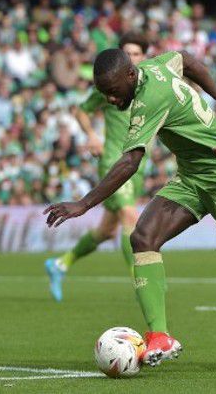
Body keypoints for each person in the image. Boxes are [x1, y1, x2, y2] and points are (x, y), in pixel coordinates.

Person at [43, 48, 216, 372]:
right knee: (143, 238)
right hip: (191, 178)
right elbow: (186, 59)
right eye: (103, 94)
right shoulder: (155, 66)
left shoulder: (149, 99)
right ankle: (159, 335)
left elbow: (130, 162)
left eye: (113, 92)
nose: (110, 99)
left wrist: (83, 203)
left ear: (130, 76)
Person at [44, 32, 150, 302]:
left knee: (106, 231)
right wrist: (92, 135)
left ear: (144, 57)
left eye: (136, 54)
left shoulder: (150, 86)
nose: (132, 59)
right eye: (128, 54)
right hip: (115, 160)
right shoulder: (111, 86)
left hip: (139, 163)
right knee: (130, 216)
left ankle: (60, 264)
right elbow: (81, 111)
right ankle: (141, 283)